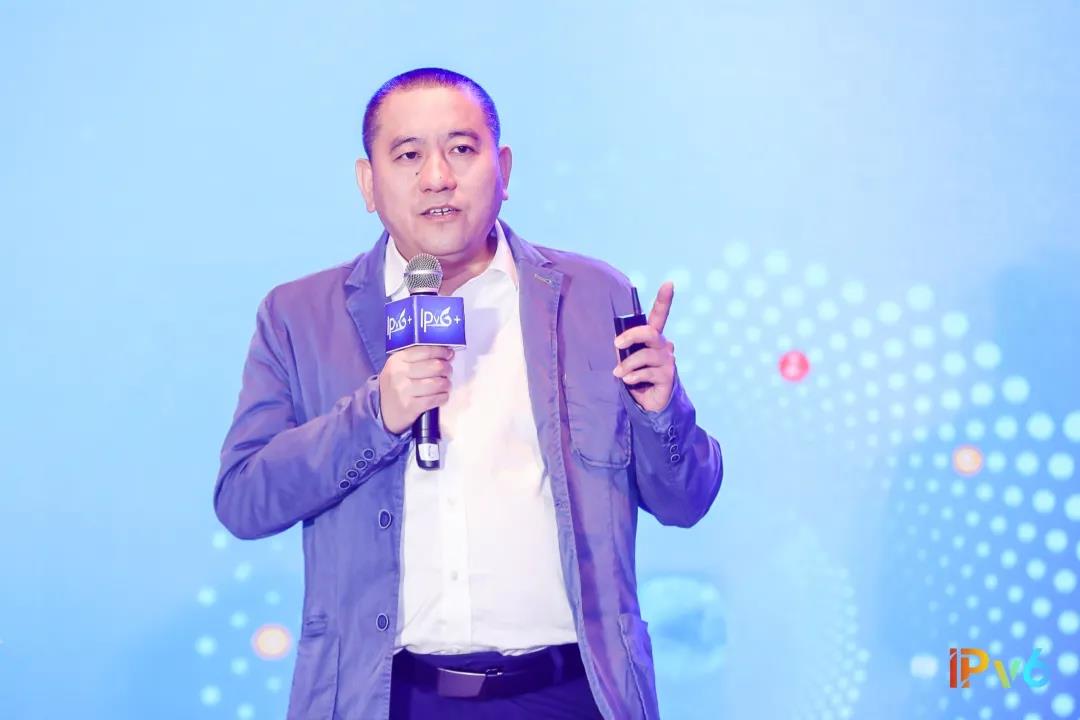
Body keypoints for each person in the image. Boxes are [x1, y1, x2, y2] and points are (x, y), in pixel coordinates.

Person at [214, 67, 724, 720]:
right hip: (388, 697)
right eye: (408, 155)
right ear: (368, 183)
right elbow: (244, 500)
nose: (437, 177)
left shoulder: (594, 296)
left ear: (502, 169)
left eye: (461, 149)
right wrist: (374, 416)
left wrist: (661, 413)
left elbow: (686, 501)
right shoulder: (300, 316)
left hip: (572, 692)